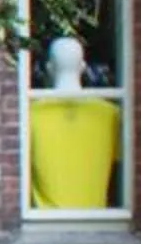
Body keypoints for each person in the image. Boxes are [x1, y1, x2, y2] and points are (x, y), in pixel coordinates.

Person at [29, 34, 121, 208]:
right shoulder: (110, 114)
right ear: (83, 66)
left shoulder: (31, 114)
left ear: (49, 68)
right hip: (97, 219)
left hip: (44, 221)